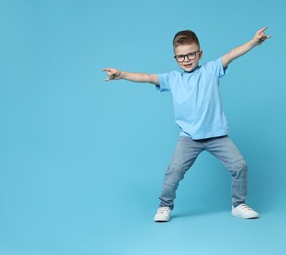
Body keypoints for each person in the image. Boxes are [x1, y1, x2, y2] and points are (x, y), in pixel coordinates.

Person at [103, 27, 271, 222]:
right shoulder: (173, 79)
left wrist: (253, 42)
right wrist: (122, 74)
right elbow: (147, 77)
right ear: (175, 58)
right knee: (174, 171)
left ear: (200, 54)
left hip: (217, 136)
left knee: (240, 165)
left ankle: (238, 204)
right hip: (189, 138)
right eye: (180, 56)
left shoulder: (211, 70)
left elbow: (231, 54)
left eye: (191, 54)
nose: (186, 59)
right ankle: (164, 206)